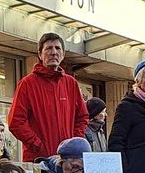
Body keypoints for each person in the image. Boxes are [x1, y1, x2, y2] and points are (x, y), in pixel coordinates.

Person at [9, 32, 89, 161]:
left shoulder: (70, 83)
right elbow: (16, 122)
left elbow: (82, 117)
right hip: (39, 160)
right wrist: (37, 144)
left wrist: (72, 143)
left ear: (63, 54)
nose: (54, 52)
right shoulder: (27, 84)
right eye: (48, 48)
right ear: (40, 54)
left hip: (66, 162)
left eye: (58, 48)